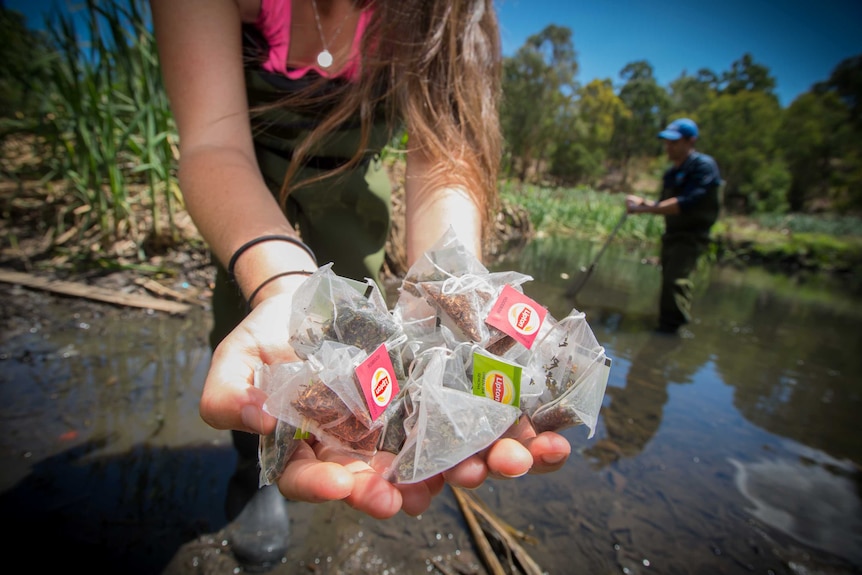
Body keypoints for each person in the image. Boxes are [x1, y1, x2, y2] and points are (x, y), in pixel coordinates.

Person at [150, 0, 572, 569]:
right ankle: (258, 471)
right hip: (239, 187)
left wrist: (463, 296)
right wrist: (282, 285)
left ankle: (358, 427)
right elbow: (211, 145)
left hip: (351, 185)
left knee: (360, 323)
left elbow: (444, 159)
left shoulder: (444, 12)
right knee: (254, 330)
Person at [625, 118, 721, 335]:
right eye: (667, 142)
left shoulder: (703, 167)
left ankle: (671, 331)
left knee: (675, 280)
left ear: (690, 141)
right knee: (668, 280)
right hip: (672, 234)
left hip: (692, 236)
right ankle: (666, 326)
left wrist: (644, 209)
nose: (668, 147)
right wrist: (640, 202)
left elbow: (684, 203)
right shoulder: (671, 173)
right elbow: (661, 205)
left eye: (674, 142)